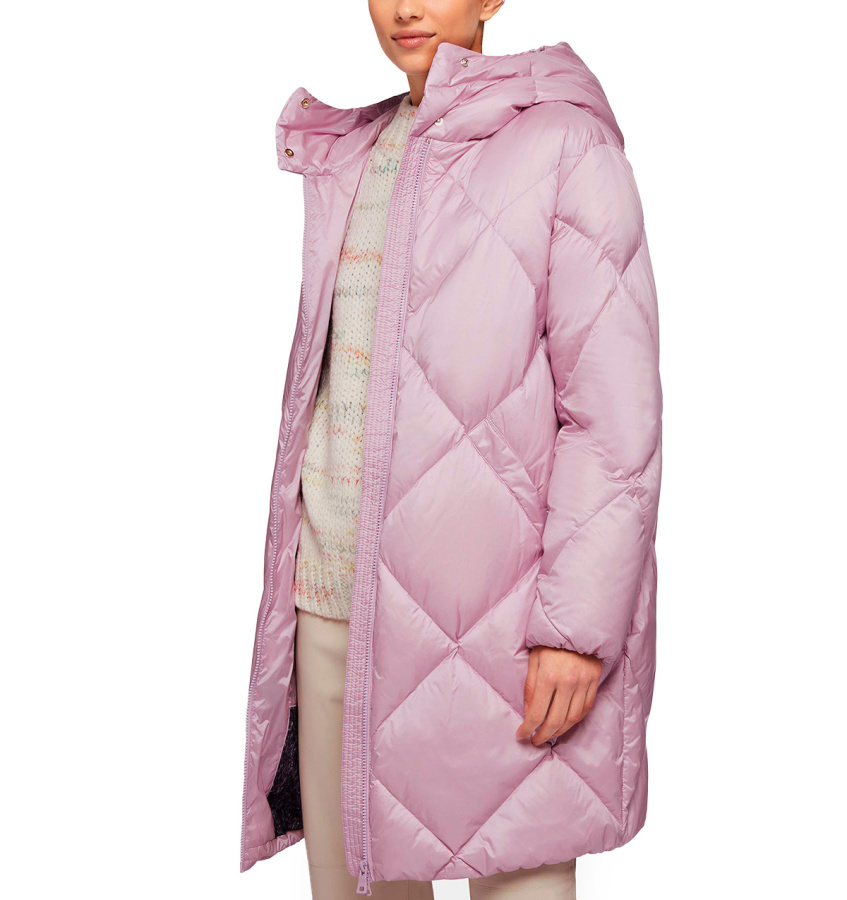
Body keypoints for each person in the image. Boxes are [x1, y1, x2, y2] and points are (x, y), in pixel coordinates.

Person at [241, 2, 663, 898]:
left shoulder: (562, 146)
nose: (405, 7)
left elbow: (612, 418)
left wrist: (575, 632)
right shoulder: (353, 152)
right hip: (331, 608)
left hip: (503, 632)